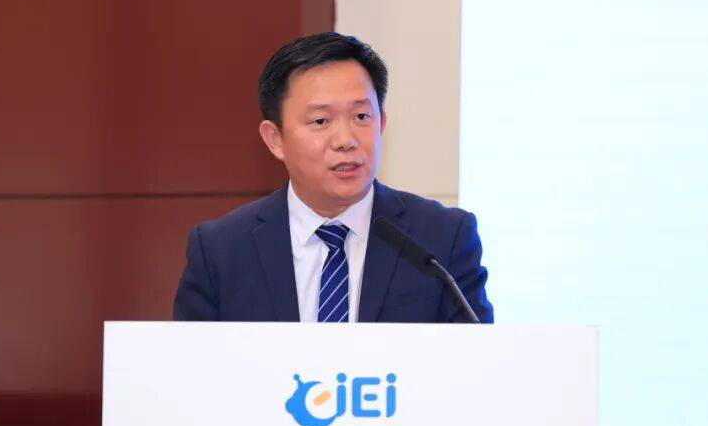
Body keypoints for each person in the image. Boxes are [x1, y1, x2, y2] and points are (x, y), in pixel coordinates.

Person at [173, 32, 493, 323]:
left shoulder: (442, 240)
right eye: (321, 121)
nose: (346, 140)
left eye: (361, 116)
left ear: (381, 124)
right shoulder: (221, 251)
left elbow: (476, 361)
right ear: (275, 138)